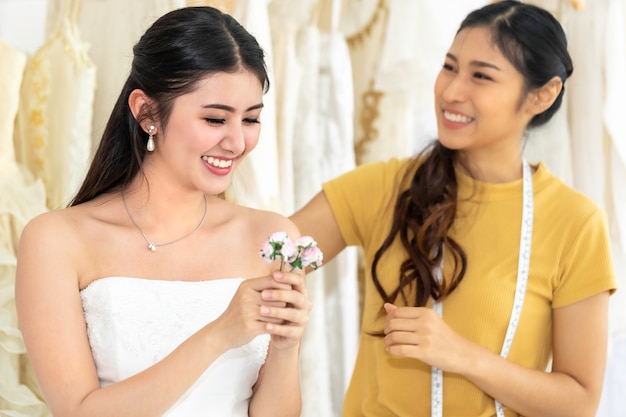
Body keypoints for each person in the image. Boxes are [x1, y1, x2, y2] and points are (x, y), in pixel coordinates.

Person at [291, 1, 617, 416]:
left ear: (542, 94)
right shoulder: (385, 187)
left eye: (481, 76)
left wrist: (460, 354)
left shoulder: (575, 224)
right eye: (449, 67)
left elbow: (579, 403)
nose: (450, 91)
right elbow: (271, 252)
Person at [15, 6, 311, 417]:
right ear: (147, 112)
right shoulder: (56, 241)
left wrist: (286, 347)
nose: (237, 142)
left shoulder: (272, 237)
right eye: (214, 118)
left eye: (251, 119)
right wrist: (219, 335)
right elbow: (78, 411)